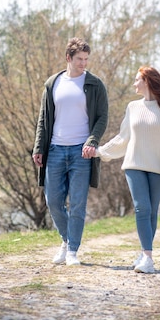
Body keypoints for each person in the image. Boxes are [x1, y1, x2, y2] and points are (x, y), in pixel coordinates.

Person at [91, 66, 160, 273]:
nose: (134, 84)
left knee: (151, 212)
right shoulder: (132, 107)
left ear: (147, 81)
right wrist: (100, 151)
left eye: (136, 80)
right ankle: (148, 259)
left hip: (158, 168)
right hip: (134, 165)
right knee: (142, 207)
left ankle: (144, 253)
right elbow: (123, 138)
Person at [32, 37, 109, 266]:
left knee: (77, 203)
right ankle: (66, 240)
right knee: (53, 201)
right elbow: (44, 118)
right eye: (79, 59)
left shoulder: (95, 84)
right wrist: (39, 146)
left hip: (81, 152)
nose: (83, 63)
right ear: (68, 58)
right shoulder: (53, 83)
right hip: (55, 149)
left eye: (86, 59)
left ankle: (73, 250)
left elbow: (102, 117)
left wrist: (92, 141)